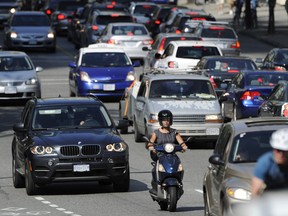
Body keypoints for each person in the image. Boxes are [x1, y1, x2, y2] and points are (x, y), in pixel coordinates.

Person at [146, 110, 188, 189]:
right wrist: (151, 147)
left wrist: (183, 147)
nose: (166, 122)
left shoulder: (174, 132)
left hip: (171, 155)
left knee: (178, 164)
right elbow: (150, 143)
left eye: (168, 120)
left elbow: (182, 143)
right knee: (157, 166)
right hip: (160, 155)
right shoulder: (156, 133)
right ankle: (156, 182)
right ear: (160, 121)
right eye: (164, 120)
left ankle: (178, 181)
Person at [251, 128, 288, 197]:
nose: (281, 155)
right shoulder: (265, 162)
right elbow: (255, 191)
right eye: (278, 150)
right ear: (274, 149)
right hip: (270, 197)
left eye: (284, 151)